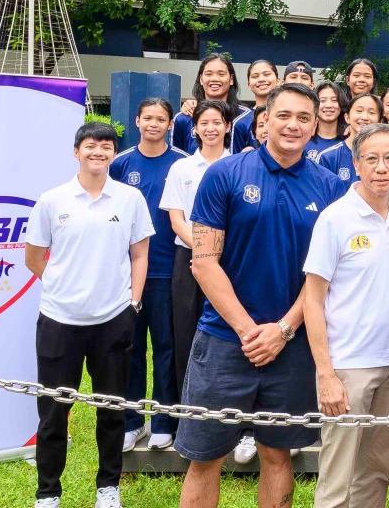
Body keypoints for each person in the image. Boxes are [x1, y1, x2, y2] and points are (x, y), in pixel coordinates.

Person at [176, 84, 347, 508]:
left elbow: (323, 274)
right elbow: (203, 262)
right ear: (264, 119)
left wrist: (284, 330)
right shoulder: (226, 174)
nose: (293, 125)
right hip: (223, 340)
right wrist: (250, 331)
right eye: (284, 115)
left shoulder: (329, 187)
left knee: (277, 453)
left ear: (315, 126)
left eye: (304, 118)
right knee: (205, 458)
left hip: (290, 346)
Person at [25, 122, 153, 508]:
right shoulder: (53, 200)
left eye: (106, 147)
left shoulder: (129, 198)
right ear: (77, 151)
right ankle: (48, 492)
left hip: (112, 319)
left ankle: (107, 487)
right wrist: (63, 284)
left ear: (114, 153)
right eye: (91, 146)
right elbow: (34, 257)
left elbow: (140, 253)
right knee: (52, 413)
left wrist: (133, 301)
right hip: (59, 320)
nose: (98, 152)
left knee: (112, 410)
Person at [303, 124, 389, 508]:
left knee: (375, 473)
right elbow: (313, 300)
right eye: (371, 158)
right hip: (348, 368)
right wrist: (326, 375)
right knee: (338, 480)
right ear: (356, 164)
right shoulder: (335, 219)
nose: (381, 167)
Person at [109, 99, 188, 454]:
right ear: (137, 120)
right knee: (130, 348)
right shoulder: (121, 163)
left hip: (168, 271)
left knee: (167, 349)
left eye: (161, 119)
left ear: (171, 124)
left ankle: (163, 421)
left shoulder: (182, 164)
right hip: (128, 273)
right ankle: (131, 421)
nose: (154, 124)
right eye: (148, 118)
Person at [160, 100, 231, 414]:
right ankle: (187, 413)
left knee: (231, 331)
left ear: (227, 127)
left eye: (217, 122)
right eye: (204, 123)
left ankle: (233, 415)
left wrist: (217, 255)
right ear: (195, 129)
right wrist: (205, 253)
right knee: (185, 334)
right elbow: (176, 220)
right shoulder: (181, 168)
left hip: (232, 261)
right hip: (187, 260)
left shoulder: (239, 165)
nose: (211, 128)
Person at [174, 54, 250, 155]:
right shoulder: (184, 117)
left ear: (231, 79)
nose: (214, 79)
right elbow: (176, 156)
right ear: (201, 79)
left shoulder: (247, 117)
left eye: (221, 74)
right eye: (208, 74)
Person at [318, 94, 385, 185]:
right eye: (359, 111)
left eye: (371, 112)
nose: (364, 117)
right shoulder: (328, 157)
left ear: (380, 121)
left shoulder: (386, 157)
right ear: (347, 118)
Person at [234, 60, 279, 151]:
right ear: (249, 85)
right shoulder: (241, 122)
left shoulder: (289, 115)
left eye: (266, 74)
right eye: (255, 76)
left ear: (278, 81)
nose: (261, 79)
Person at [306, 82, 345, 163]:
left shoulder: (349, 140)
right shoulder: (304, 139)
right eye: (322, 100)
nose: (328, 105)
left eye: (334, 100)